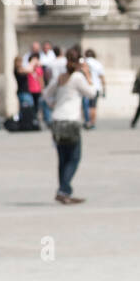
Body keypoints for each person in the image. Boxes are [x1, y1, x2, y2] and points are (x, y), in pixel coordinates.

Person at [43, 47, 97, 203]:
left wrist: (53, 104)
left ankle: (64, 191)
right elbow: (92, 93)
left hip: (57, 120)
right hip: (71, 121)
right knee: (74, 157)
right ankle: (64, 190)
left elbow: (46, 94)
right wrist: (88, 75)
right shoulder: (77, 78)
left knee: (62, 158)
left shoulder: (61, 77)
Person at [82, 48, 105, 129]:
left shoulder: (84, 63)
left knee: (85, 105)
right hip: (96, 87)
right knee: (93, 106)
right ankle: (93, 123)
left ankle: (86, 121)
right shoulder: (98, 64)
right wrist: (104, 88)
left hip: (85, 86)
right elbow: (102, 77)